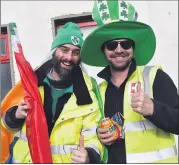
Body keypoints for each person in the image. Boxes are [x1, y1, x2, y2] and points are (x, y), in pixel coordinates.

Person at [80, 0, 179, 163]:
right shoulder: (99, 90)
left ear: (133, 48)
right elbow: (90, 132)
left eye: (125, 44)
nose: (119, 50)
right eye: (112, 45)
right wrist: (99, 135)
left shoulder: (155, 77)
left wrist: (154, 109)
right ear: (104, 51)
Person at [1, 22, 104, 163]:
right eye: (64, 50)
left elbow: (92, 136)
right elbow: (6, 126)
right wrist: (16, 115)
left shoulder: (87, 93)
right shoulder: (31, 83)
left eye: (75, 52)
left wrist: (89, 156)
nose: (69, 57)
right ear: (54, 51)